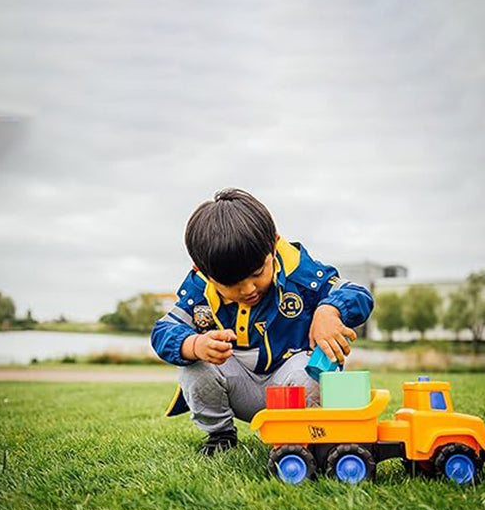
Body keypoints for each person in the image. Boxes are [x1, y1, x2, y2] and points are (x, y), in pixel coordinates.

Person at [151, 188, 374, 455]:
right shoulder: (199, 290)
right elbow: (162, 331)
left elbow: (358, 294)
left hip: (291, 383)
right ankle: (220, 435)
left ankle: (304, 432)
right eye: (231, 284)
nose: (247, 290)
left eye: (257, 273)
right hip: (238, 387)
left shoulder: (301, 274)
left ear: (273, 244)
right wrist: (194, 344)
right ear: (205, 273)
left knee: (308, 370)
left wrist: (329, 310)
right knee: (195, 367)